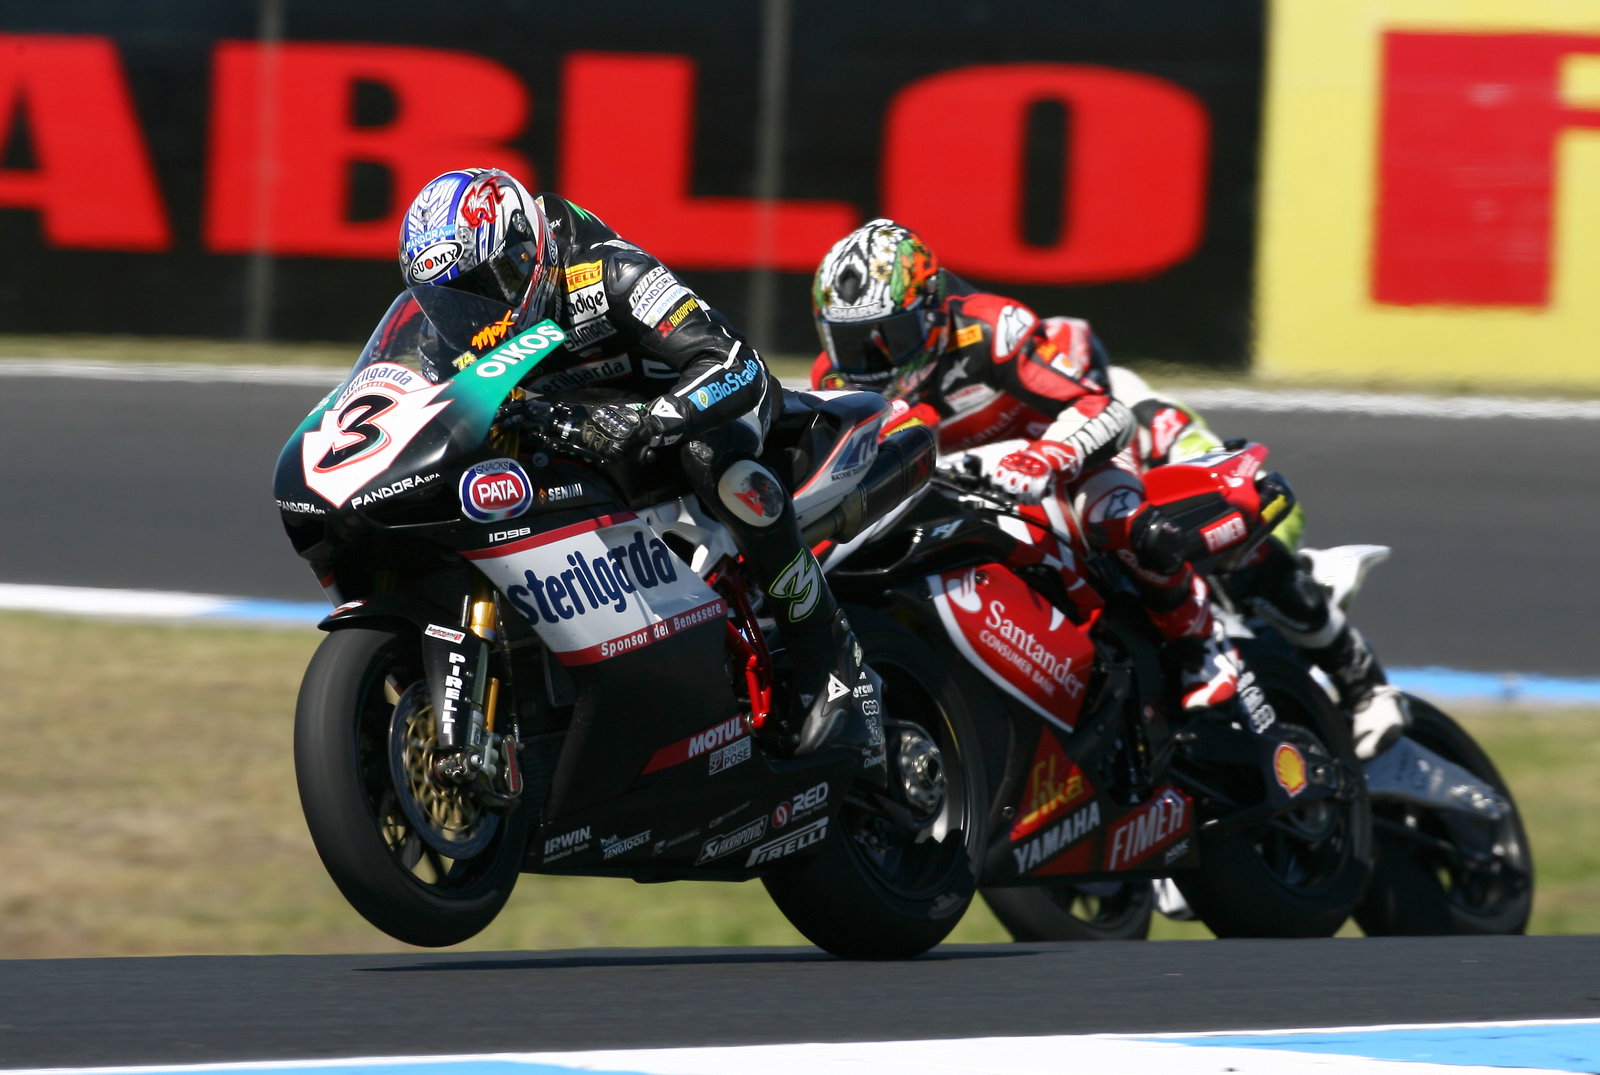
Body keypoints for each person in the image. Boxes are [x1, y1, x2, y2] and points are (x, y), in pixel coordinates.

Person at [398, 167, 877, 763]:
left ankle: (834, 667)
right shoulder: (449, 340)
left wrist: (652, 421)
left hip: (702, 415)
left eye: (482, 288)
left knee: (721, 468)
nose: (474, 316)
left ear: (525, 253)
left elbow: (737, 366)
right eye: (448, 302)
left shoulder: (607, 274)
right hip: (587, 441)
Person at [810, 218, 1245, 715]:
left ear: (932, 309)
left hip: (1058, 462)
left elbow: (1102, 409)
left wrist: (1046, 457)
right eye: (852, 343)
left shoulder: (992, 329)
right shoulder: (833, 378)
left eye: (892, 336)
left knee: (1116, 513)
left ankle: (1201, 643)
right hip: (951, 487)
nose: (874, 360)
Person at [1109, 366, 1410, 761]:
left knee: (1226, 549)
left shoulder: (1144, 411)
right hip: (1134, 556)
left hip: (1246, 507)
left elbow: (1221, 482)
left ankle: (1364, 683)